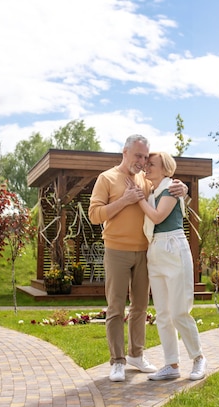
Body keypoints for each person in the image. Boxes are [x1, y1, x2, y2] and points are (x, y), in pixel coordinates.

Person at [88, 134, 187, 382]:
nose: (142, 161)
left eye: (145, 157)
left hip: (145, 251)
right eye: (138, 156)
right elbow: (94, 215)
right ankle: (117, 361)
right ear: (125, 152)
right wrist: (124, 200)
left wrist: (183, 188)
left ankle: (136, 355)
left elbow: (167, 194)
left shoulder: (147, 180)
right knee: (116, 307)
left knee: (141, 307)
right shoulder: (107, 178)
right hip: (117, 250)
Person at [138, 151, 207, 381]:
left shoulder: (171, 188)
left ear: (166, 169)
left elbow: (157, 217)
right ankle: (171, 364)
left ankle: (198, 358)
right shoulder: (151, 191)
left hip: (173, 247)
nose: (146, 167)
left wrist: (137, 199)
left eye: (151, 164)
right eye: (146, 164)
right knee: (163, 314)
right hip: (155, 250)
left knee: (179, 311)